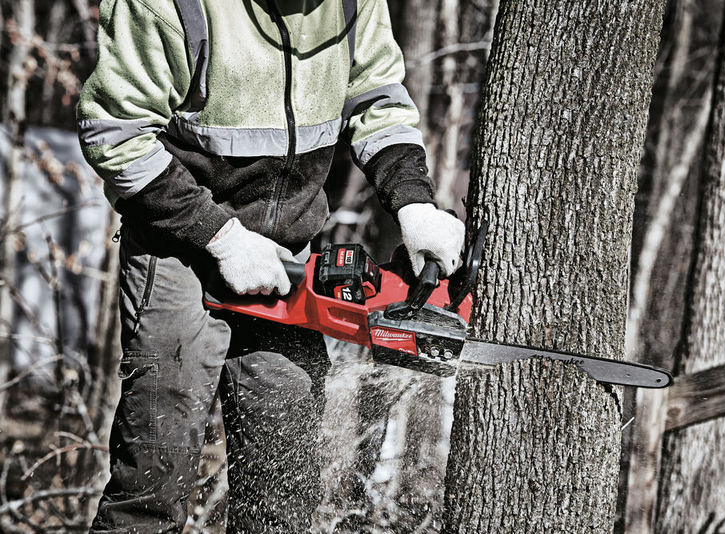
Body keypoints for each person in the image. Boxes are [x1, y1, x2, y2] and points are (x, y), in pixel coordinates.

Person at [77, 0, 464, 531]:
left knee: (282, 490)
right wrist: (222, 237)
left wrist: (414, 203)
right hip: (178, 247)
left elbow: (376, 100)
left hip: (288, 257)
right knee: (152, 483)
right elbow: (115, 135)